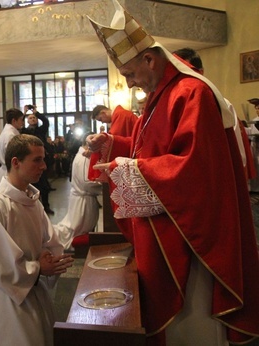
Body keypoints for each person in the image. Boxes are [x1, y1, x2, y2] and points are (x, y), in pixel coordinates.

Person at [86, 1, 259, 344]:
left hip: (189, 233)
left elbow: (193, 169)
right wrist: (112, 146)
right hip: (165, 222)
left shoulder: (191, 93)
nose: (132, 84)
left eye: (131, 75)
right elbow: (148, 147)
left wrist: (127, 170)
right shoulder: (158, 95)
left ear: (149, 59)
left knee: (191, 323)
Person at [0, 134, 74, 346]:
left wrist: (52, 259)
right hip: (8, 297)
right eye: (37, 160)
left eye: (43, 159)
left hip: (35, 291)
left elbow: (50, 240)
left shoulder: (32, 201)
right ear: (16, 162)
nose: (44, 166)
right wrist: (37, 268)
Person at [173, 47, 256, 181]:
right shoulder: (172, 105)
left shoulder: (221, 104)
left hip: (214, 179)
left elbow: (238, 156)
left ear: (201, 72)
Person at [53, 140, 102, 250]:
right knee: (75, 231)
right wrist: (103, 187)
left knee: (75, 229)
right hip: (83, 200)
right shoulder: (84, 157)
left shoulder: (82, 155)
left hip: (82, 198)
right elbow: (86, 182)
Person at [21, 105, 54, 214]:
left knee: (44, 185)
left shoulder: (41, 130)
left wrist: (37, 112)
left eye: (34, 118)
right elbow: (19, 124)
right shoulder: (25, 131)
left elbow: (46, 122)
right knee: (32, 185)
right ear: (27, 121)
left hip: (42, 159)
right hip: (30, 160)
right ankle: (33, 206)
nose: (33, 119)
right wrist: (24, 112)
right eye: (30, 118)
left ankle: (46, 206)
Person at [0, 108, 24, 188]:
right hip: (9, 172)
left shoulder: (6, 132)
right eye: (21, 120)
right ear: (14, 121)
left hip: (7, 170)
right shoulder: (10, 135)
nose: (22, 122)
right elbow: (13, 155)